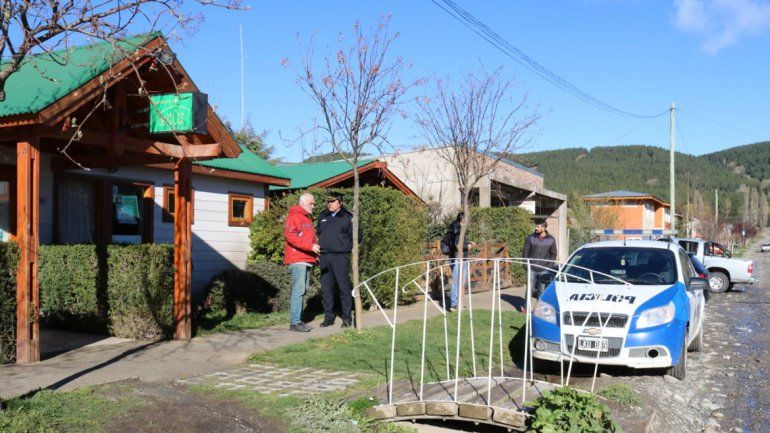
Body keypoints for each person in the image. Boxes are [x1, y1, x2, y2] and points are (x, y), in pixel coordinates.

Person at [317, 192, 360, 328]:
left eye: (332, 201)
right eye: (328, 202)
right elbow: (319, 233)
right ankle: (328, 317)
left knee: (343, 288)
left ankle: (347, 318)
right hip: (324, 256)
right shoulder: (323, 216)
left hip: (340, 257)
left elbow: (357, 237)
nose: (329, 204)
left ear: (340, 202)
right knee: (326, 288)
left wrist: (345, 247)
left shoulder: (348, 217)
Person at [284, 192, 320, 332]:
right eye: (311, 203)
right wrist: (310, 247)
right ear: (303, 202)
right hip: (298, 260)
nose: (313, 206)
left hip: (305, 259)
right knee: (298, 291)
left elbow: (307, 238)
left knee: (302, 291)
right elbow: (290, 236)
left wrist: (313, 254)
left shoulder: (306, 217)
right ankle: (295, 323)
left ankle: (298, 320)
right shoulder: (295, 216)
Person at [443, 212, 475, 312]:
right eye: (465, 220)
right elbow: (457, 245)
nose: (467, 222)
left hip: (463, 257)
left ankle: (459, 303)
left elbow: (462, 242)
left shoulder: (461, 229)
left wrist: (469, 243)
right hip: (457, 257)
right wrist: (467, 247)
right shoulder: (455, 229)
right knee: (457, 281)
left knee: (462, 281)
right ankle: (453, 304)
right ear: (462, 220)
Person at [523, 219, 558, 299]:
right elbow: (525, 253)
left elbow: (553, 254)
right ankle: (526, 308)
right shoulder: (530, 238)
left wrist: (549, 266)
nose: (536, 228)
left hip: (544, 270)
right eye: (536, 226)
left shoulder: (551, 239)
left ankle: (539, 310)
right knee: (529, 290)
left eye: (538, 227)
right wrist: (526, 265)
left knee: (541, 290)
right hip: (531, 268)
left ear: (543, 228)